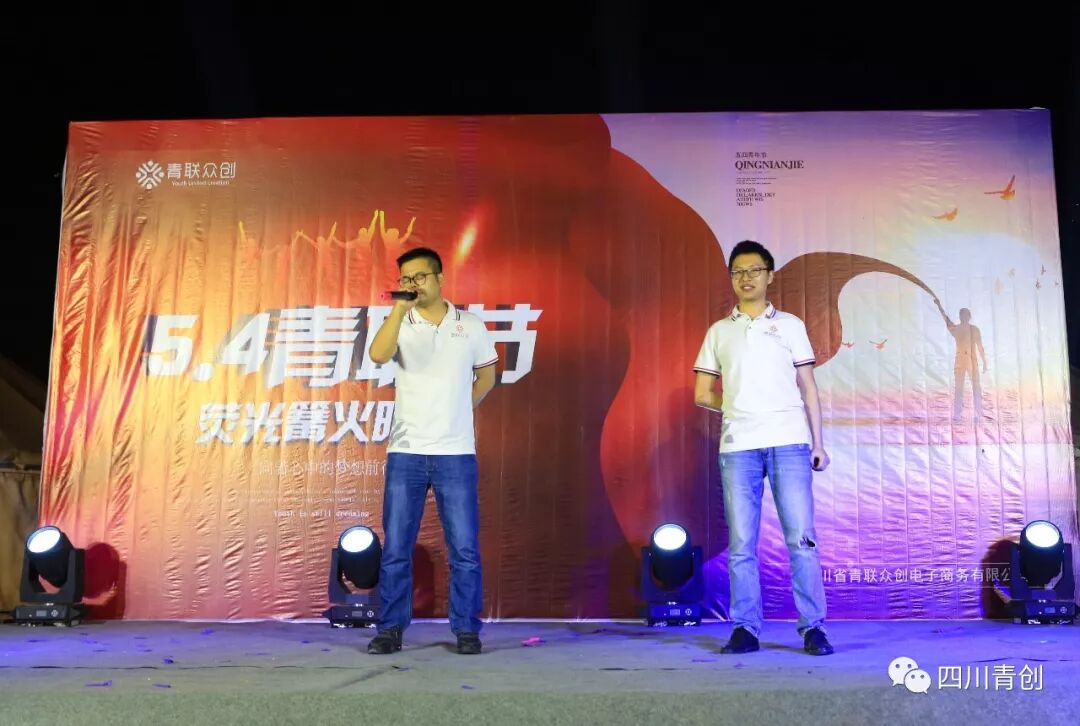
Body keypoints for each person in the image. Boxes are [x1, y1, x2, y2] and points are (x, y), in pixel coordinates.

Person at [692, 240, 834, 656]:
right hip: (739, 447)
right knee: (741, 544)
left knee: (801, 539)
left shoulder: (789, 325)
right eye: (738, 271)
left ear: (769, 275)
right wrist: (736, 405)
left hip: (789, 442)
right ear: (731, 278)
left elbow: (808, 387)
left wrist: (819, 443)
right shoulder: (719, 331)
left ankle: (813, 627)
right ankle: (745, 628)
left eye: (754, 270)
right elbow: (702, 392)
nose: (746, 278)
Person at [365, 247, 498, 655]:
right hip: (406, 451)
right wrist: (398, 311)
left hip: (455, 453)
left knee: (464, 549)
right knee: (397, 547)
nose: (413, 285)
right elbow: (378, 355)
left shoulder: (470, 325)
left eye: (420, 277)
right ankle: (390, 629)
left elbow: (487, 377)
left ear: (440, 278)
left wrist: (459, 409)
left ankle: (467, 630)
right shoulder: (398, 322)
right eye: (406, 279)